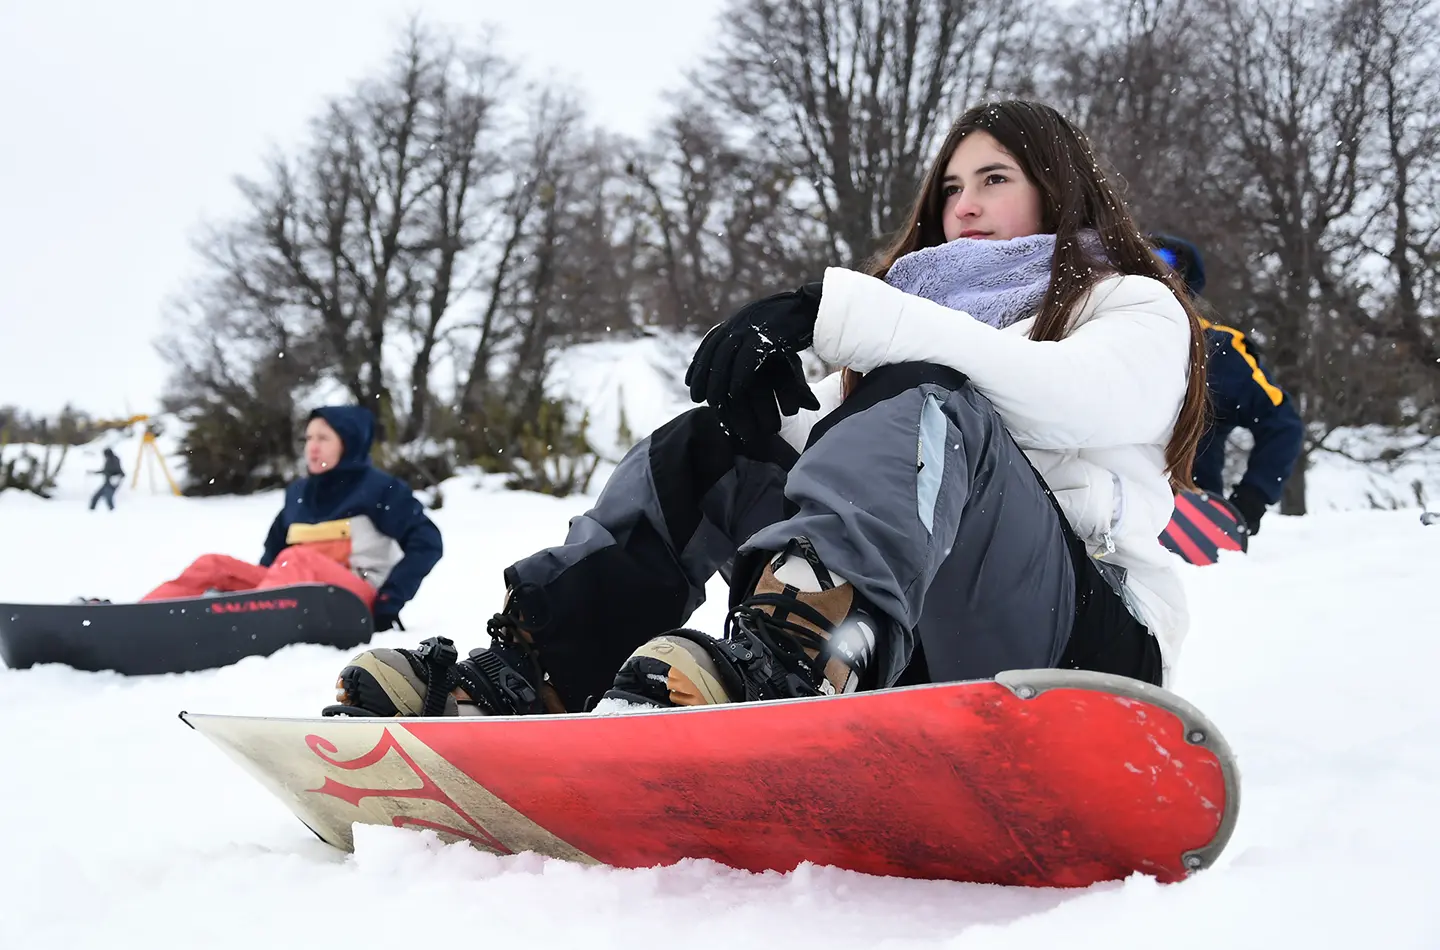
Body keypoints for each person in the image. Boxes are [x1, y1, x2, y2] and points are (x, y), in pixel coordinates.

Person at [325, 99, 1208, 719]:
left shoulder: (1127, 304)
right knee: (717, 446)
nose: (964, 205)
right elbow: (845, 469)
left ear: (1056, 188)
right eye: (949, 186)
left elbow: (1062, 407)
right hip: (918, 642)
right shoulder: (913, 330)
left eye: (994, 178)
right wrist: (762, 421)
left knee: (928, 394)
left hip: (1086, 655)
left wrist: (839, 314)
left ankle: (795, 657)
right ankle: (539, 666)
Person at [141, 406, 442, 632]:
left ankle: (243, 626)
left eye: (323, 438)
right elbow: (273, 556)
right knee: (214, 564)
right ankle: (143, 618)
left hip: (355, 600)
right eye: (309, 437)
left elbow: (427, 542)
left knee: (298, 558)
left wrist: (389, 601)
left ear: (348, 442)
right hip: (290, 597)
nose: (312, 446)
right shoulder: (299, 493)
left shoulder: (380, 489)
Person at [1147, 234, 1303, 534]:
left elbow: (1282, 424)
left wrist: (1252, 498)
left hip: (1188, 532)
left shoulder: (1218, 350)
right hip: (1096, 521)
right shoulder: (1089, 336)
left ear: (1185, 287)